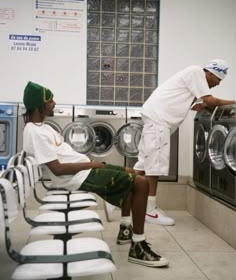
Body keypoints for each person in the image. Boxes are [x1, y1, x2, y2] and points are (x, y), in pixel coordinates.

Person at [22, 81, 169, 268]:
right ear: (39, 105)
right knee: (141, 182)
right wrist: (91, 164)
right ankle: (138, 246)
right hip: (76, 178)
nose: (54, 103)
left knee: (132, 172)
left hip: (84, 170)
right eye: (50, 100)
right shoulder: (34, 132)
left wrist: (90, 164)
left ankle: (125, 229)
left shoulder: (44, 127)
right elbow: (57, 169)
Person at [133, 58, 235, 225]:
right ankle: (150, 211)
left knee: (143, 166)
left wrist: (196, 104)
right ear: (211, 73)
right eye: (218, 80)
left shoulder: (193, 78)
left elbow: (197, 103)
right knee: (154, 168)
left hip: (154, 120)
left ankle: (114, 196)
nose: (217, 84)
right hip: (159, 122)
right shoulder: (196, 72)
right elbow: (210, 101)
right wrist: (234, 102)